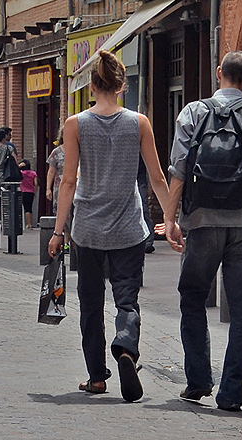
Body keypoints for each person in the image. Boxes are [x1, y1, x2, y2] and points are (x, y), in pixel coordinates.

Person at [49, 50, 176, 403]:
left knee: (90, 303)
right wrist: (170, 221)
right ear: (122, 86)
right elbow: (156, 176)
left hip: (87, 228)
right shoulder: (139, 122)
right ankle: (125, 348)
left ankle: (96, 377)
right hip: (128, 229)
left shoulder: (74, 124)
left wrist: (58, 231)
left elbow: (68, 181)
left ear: (92, 85)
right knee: (127, 299)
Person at [163, 50, 242, 412]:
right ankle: (231, 392)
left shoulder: (193, 113)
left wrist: (170, 219)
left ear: (218, 74)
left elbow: (179, 171)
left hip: (201, 221)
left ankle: (198, 380)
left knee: (193, 297)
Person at [44, 137, 65, 214]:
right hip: (59, 187)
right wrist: (48, 189)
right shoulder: (56, 152)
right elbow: (51, 171)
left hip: (76, 186)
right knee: (60, 211)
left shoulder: (78, 151)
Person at [18, 160, 36, 229]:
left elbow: (15, 171)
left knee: (25, 208)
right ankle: (30, 223)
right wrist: (35, 191)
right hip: (31, 191)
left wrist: (18, 166)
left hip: (23, 191)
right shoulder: (33, 173)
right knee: (29, 208)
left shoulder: (21, 173)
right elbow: (36, 183)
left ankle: (26, 224)